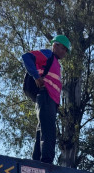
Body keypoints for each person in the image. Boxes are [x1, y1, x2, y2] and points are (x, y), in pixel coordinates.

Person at [21, 35, 70, 164]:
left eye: (66, 50)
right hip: (45, 96)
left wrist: (57, 105)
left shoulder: (56, 64)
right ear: (55, 45)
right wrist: (36, 76)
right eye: (63, 48)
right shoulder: (48, 54)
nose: (64, 52)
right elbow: (27, 57)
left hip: (51, 101)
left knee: (42, 129)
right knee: (49, 130)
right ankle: (47, 162)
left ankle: (36, 161)